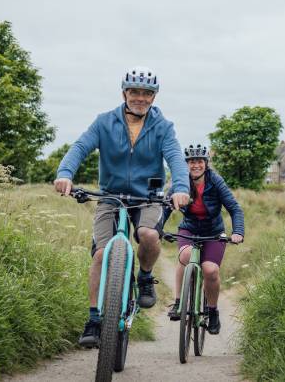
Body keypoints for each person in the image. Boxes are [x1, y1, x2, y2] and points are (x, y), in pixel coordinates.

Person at [54, 66, 190, 347]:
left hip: (148, 197)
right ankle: (93, 318)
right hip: (111, 196)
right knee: (102, 255)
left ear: (153, 97)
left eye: (146, 93)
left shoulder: (163, 127)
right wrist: (65, 173)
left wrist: (181, 188)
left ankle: (144, 277)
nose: (140, 97)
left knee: (149, 235)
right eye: (134, 92)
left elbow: (176, 159)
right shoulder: (104, 122)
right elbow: (80, 147)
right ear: (124, 93)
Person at [164, 144, 244, 335]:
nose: (196, 165)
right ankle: (178, 303)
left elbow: (234, 208)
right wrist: (157, 228)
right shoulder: (180, 182)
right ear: (187, 164)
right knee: (186, 257)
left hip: (213, 231)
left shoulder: (215, 181)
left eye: (199, 161)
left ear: (206, 163)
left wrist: (238, 231)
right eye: (192, 162)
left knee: (210, 270)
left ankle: (213, 311)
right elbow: (166, 206)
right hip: (189, 229)